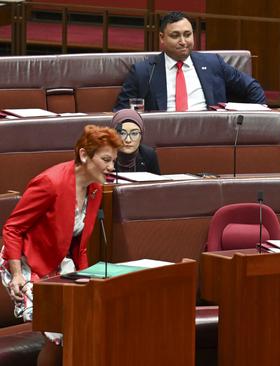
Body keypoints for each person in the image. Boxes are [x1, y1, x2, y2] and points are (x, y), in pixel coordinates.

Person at [1, 125, 122, 365]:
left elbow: (80, 243)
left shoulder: (95, 188)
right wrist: (17, 276)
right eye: (106, 159)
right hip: (26, 264)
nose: (111, 167)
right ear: (84, 155)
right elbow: (12, 228)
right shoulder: (51, 183)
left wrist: (86, 280)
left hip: (57, 264)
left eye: (114, 161)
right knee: (59, 329)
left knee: (85, 322)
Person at [113, 11, 266, 112]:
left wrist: (257, 121)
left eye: (187, 34)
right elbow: (121, 111)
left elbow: (252, 87)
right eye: (175, 36)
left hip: (210, 134)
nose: (183, 41)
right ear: (162, 38)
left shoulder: (214, 63)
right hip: (163, 137)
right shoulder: (143, 71)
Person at [112, 109, 161, 175]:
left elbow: (156, 183)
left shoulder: (148, 155)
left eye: (134, 133)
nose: (128, 140)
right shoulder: (105, 155)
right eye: (122, 133)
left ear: (141, 135)